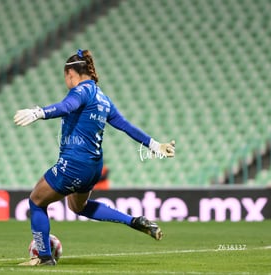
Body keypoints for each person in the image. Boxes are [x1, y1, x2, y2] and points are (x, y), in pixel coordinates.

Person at [14, 49, 175, 266]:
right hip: (93, 167)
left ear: (71, 73)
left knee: (36, 201)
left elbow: (66, 107)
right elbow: (125, 126)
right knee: (78, 207)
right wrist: (155, 145)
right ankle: (134, 221)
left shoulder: (81, 91)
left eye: (65, 76)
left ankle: (43, 257)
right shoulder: (103, 98)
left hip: (73, 164)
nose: (66, 82)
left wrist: (38, 112)